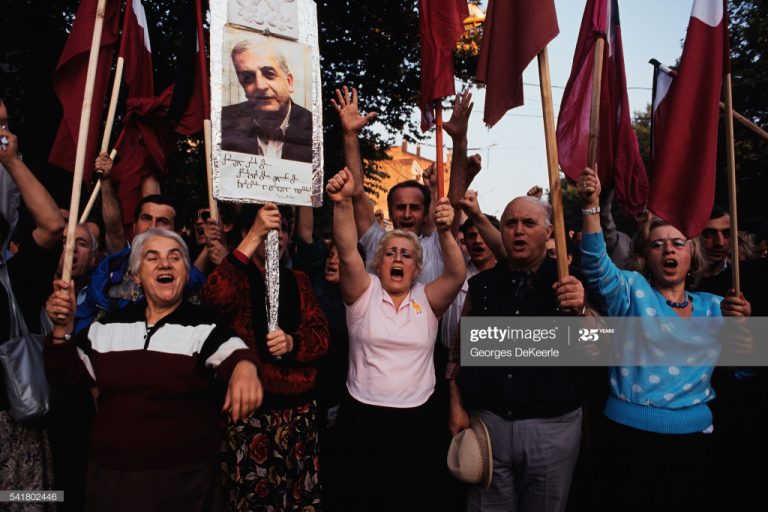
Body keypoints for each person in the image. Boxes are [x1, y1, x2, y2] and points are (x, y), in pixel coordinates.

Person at [44, 229, 262, 511]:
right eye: (152, 257)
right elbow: (66, 378)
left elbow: (235, 353)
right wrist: (61, 331)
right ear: (135, 275)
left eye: (175, 257)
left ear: (186, 271)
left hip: (184, 487)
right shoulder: (105, 327)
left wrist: (245, 369)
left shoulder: (206, 327)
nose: (165, 264)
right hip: (111, 484)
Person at [576, 167, 752, 510]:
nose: (668, 251)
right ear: (647, 256)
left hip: (694, 445)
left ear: (692, 254)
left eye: (678, 243)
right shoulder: (630, 290)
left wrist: (744, 332)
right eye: (658, 245)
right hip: (628, 441)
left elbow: (744, 370)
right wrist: (591, 205)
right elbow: (596, 264)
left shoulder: (719, 308)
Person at [327, 168, 465, 512]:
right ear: (379, 262)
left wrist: (446, 231)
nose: (398, 259)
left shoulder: (428, 297)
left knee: (410, 499)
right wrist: (342, 202)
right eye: (391, 253)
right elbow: (346, 251)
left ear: (417, 268)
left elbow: (457, 273)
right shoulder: (364, 290)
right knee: (362, 499)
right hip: (362, 417)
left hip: (417, 420)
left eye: (406, 254)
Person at [447, 195, 590, 512]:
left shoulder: (572, 280)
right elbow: (459, 352)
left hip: (552, 430)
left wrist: (581, 308)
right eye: (511, 223)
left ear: (549, 231)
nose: (519, 231)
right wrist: (456, 405)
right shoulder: (482, 284)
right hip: (488, 426)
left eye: (529, 223)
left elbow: (598, 348)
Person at [201, 202, 329, 511]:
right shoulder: (237, 277)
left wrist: (292, 343)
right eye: (268, 228)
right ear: (249, 232)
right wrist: (253, 237)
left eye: (282, 229)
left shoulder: (298, 280)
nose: (277, 236)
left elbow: (322, 336)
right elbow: (214, 299)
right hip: (249, 415)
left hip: (297, 416)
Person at [0, 117, 64, 499]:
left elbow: (53, 224)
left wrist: (12, 162)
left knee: (28, 503)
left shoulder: (13, 278)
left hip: (14, 433)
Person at [77, 194, 206, 332]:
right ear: (134, 227)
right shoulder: (107, 270)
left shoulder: (187, 281)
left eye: (162, 221)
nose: (152, 227)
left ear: (178, 233)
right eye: (146, 218)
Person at [221, 40, 312, 163]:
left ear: (289, 82)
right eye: (248, 78)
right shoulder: (223, 122)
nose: (260, 85)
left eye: (269, 74)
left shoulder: (314, 126)